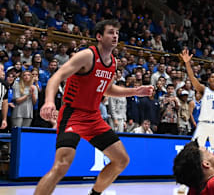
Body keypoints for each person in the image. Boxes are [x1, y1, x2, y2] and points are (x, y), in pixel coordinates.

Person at [34, 20, 154, 195]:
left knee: (121, 160)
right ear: (99, 36)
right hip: (72, 114)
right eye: (110, 32)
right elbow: (57, 76)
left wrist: (135, 91)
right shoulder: (87, 56)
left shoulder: (112, 62)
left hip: (93, 117)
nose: (115, 36)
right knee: (62, 165)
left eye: (117, 33)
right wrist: (49, 101)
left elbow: (107, 89)